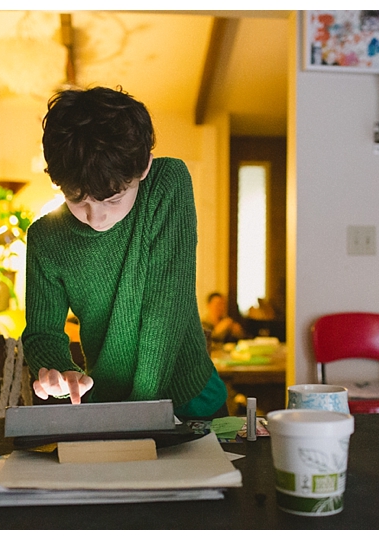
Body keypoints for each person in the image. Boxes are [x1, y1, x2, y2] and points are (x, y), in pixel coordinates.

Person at [21, 86, 228, 420]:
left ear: (143, 166)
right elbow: (42, 333)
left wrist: (138, 413)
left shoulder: (166, 184)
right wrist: (59, 371)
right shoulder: (46, 238)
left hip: (190, 396)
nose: (96, 216)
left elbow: (165, 310)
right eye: (78, 199)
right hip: (109, 404)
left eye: (113, 199)